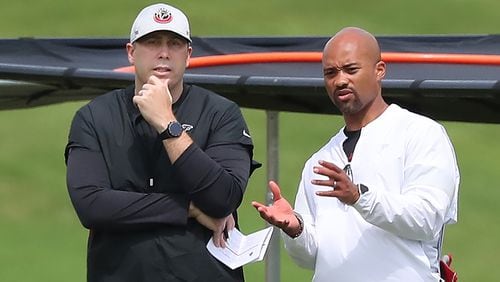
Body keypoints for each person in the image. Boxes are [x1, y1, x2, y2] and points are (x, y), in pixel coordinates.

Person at [65, 3, 258, 282]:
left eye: (175, 44)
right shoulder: (94, 117)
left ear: (188, 55)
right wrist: (188, 208)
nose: (164, 53)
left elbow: (221, 198)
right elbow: (91, 205)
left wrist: (168, 125)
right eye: (152, 42)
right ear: (131, 52)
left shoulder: (221, 113)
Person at [252, 27, 459, 282]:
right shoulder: (320, 160)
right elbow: (310, 258)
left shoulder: (421, 133)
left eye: (351, 70)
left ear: (379, 70)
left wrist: (360, 197)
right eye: (330, 73)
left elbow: (427, 218)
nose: (340, 80)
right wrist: (296, 229)